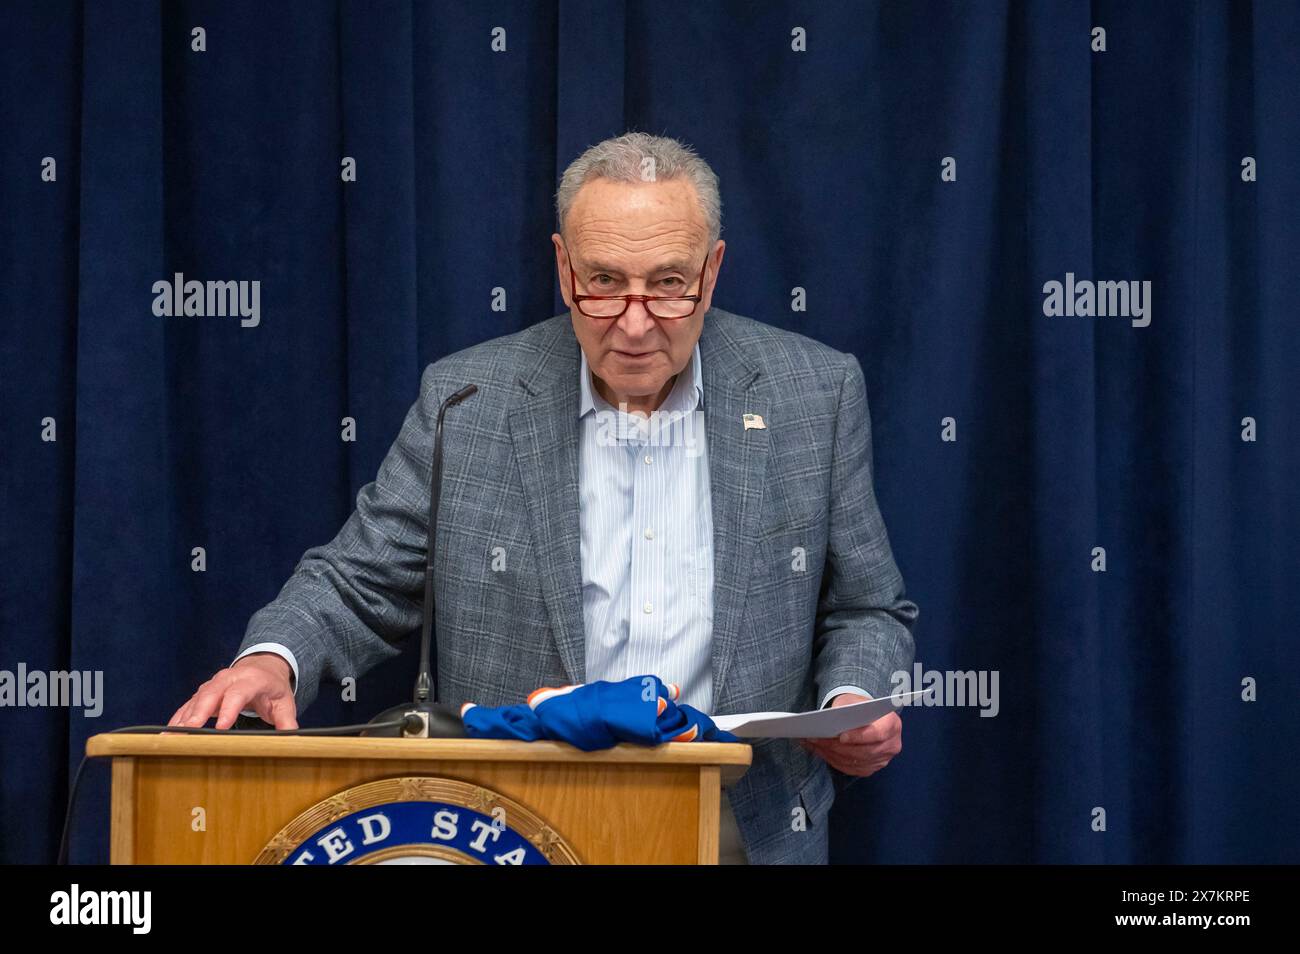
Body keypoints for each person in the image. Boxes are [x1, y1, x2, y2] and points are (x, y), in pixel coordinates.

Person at [169, 132, 919, 864]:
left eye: (667, 284)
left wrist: (848, 700)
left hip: (746, 827)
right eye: (604, 283)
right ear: (563, 269)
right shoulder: (467, 400)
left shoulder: (813, 395)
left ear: (712, 270)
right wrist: (272, 661)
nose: (634, 324)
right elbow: (358, 580)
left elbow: (866, 605)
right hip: (512, 827)